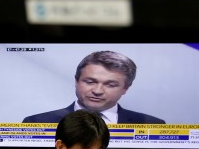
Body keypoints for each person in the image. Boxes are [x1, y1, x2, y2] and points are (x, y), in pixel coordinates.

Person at [23, 50, 165, 124]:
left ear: (125, 88)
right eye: (90, 82)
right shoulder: (37, 122)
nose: (97, 91)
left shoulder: (153, 125)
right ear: (76, 81)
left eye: (110, 85)